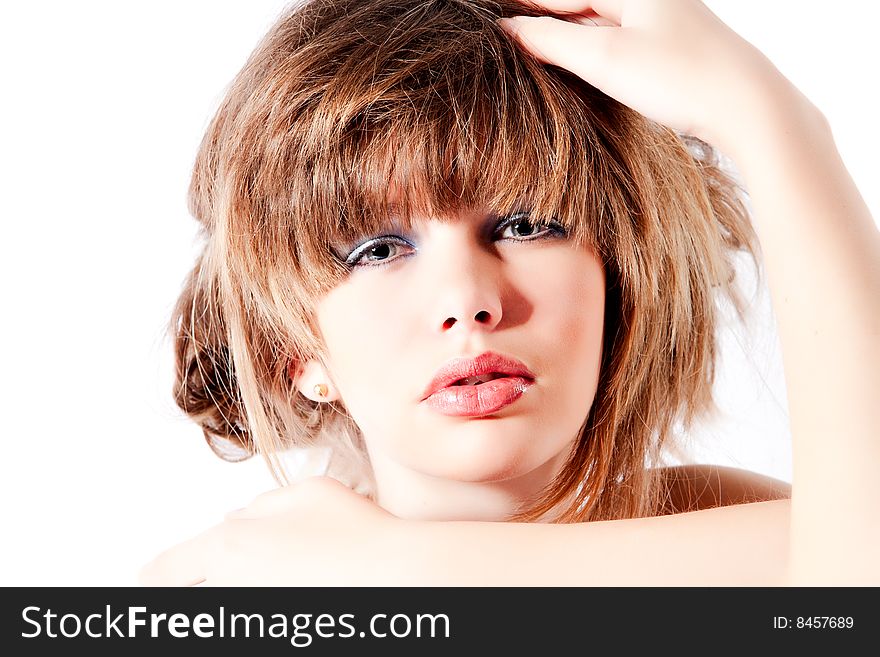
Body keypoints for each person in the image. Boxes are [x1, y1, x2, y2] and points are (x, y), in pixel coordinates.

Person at [140, 0, 879, 585]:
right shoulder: (234, 598)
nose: (468, 300)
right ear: (292, 352)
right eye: (378, 250)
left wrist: (768, 117)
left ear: (616, 279)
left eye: (527, 224)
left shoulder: (745, 529)